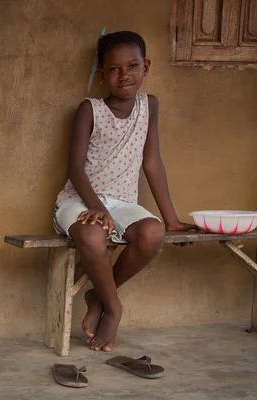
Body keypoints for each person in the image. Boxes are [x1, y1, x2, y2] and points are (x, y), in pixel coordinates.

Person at [53, 31, 195, 352]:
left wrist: (171, 219)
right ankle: (113, 308)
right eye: (114, 69)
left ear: (146, 67)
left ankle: (99, 296)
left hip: (123, 204)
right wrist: (96, 208)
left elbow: (152, 162)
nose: (124, 75)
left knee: (153, 233)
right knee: (91, 235)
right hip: (79, 201)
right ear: (101, 73)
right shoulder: (89, 109)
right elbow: (75, 168)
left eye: (132, 66)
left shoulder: (150, 106)